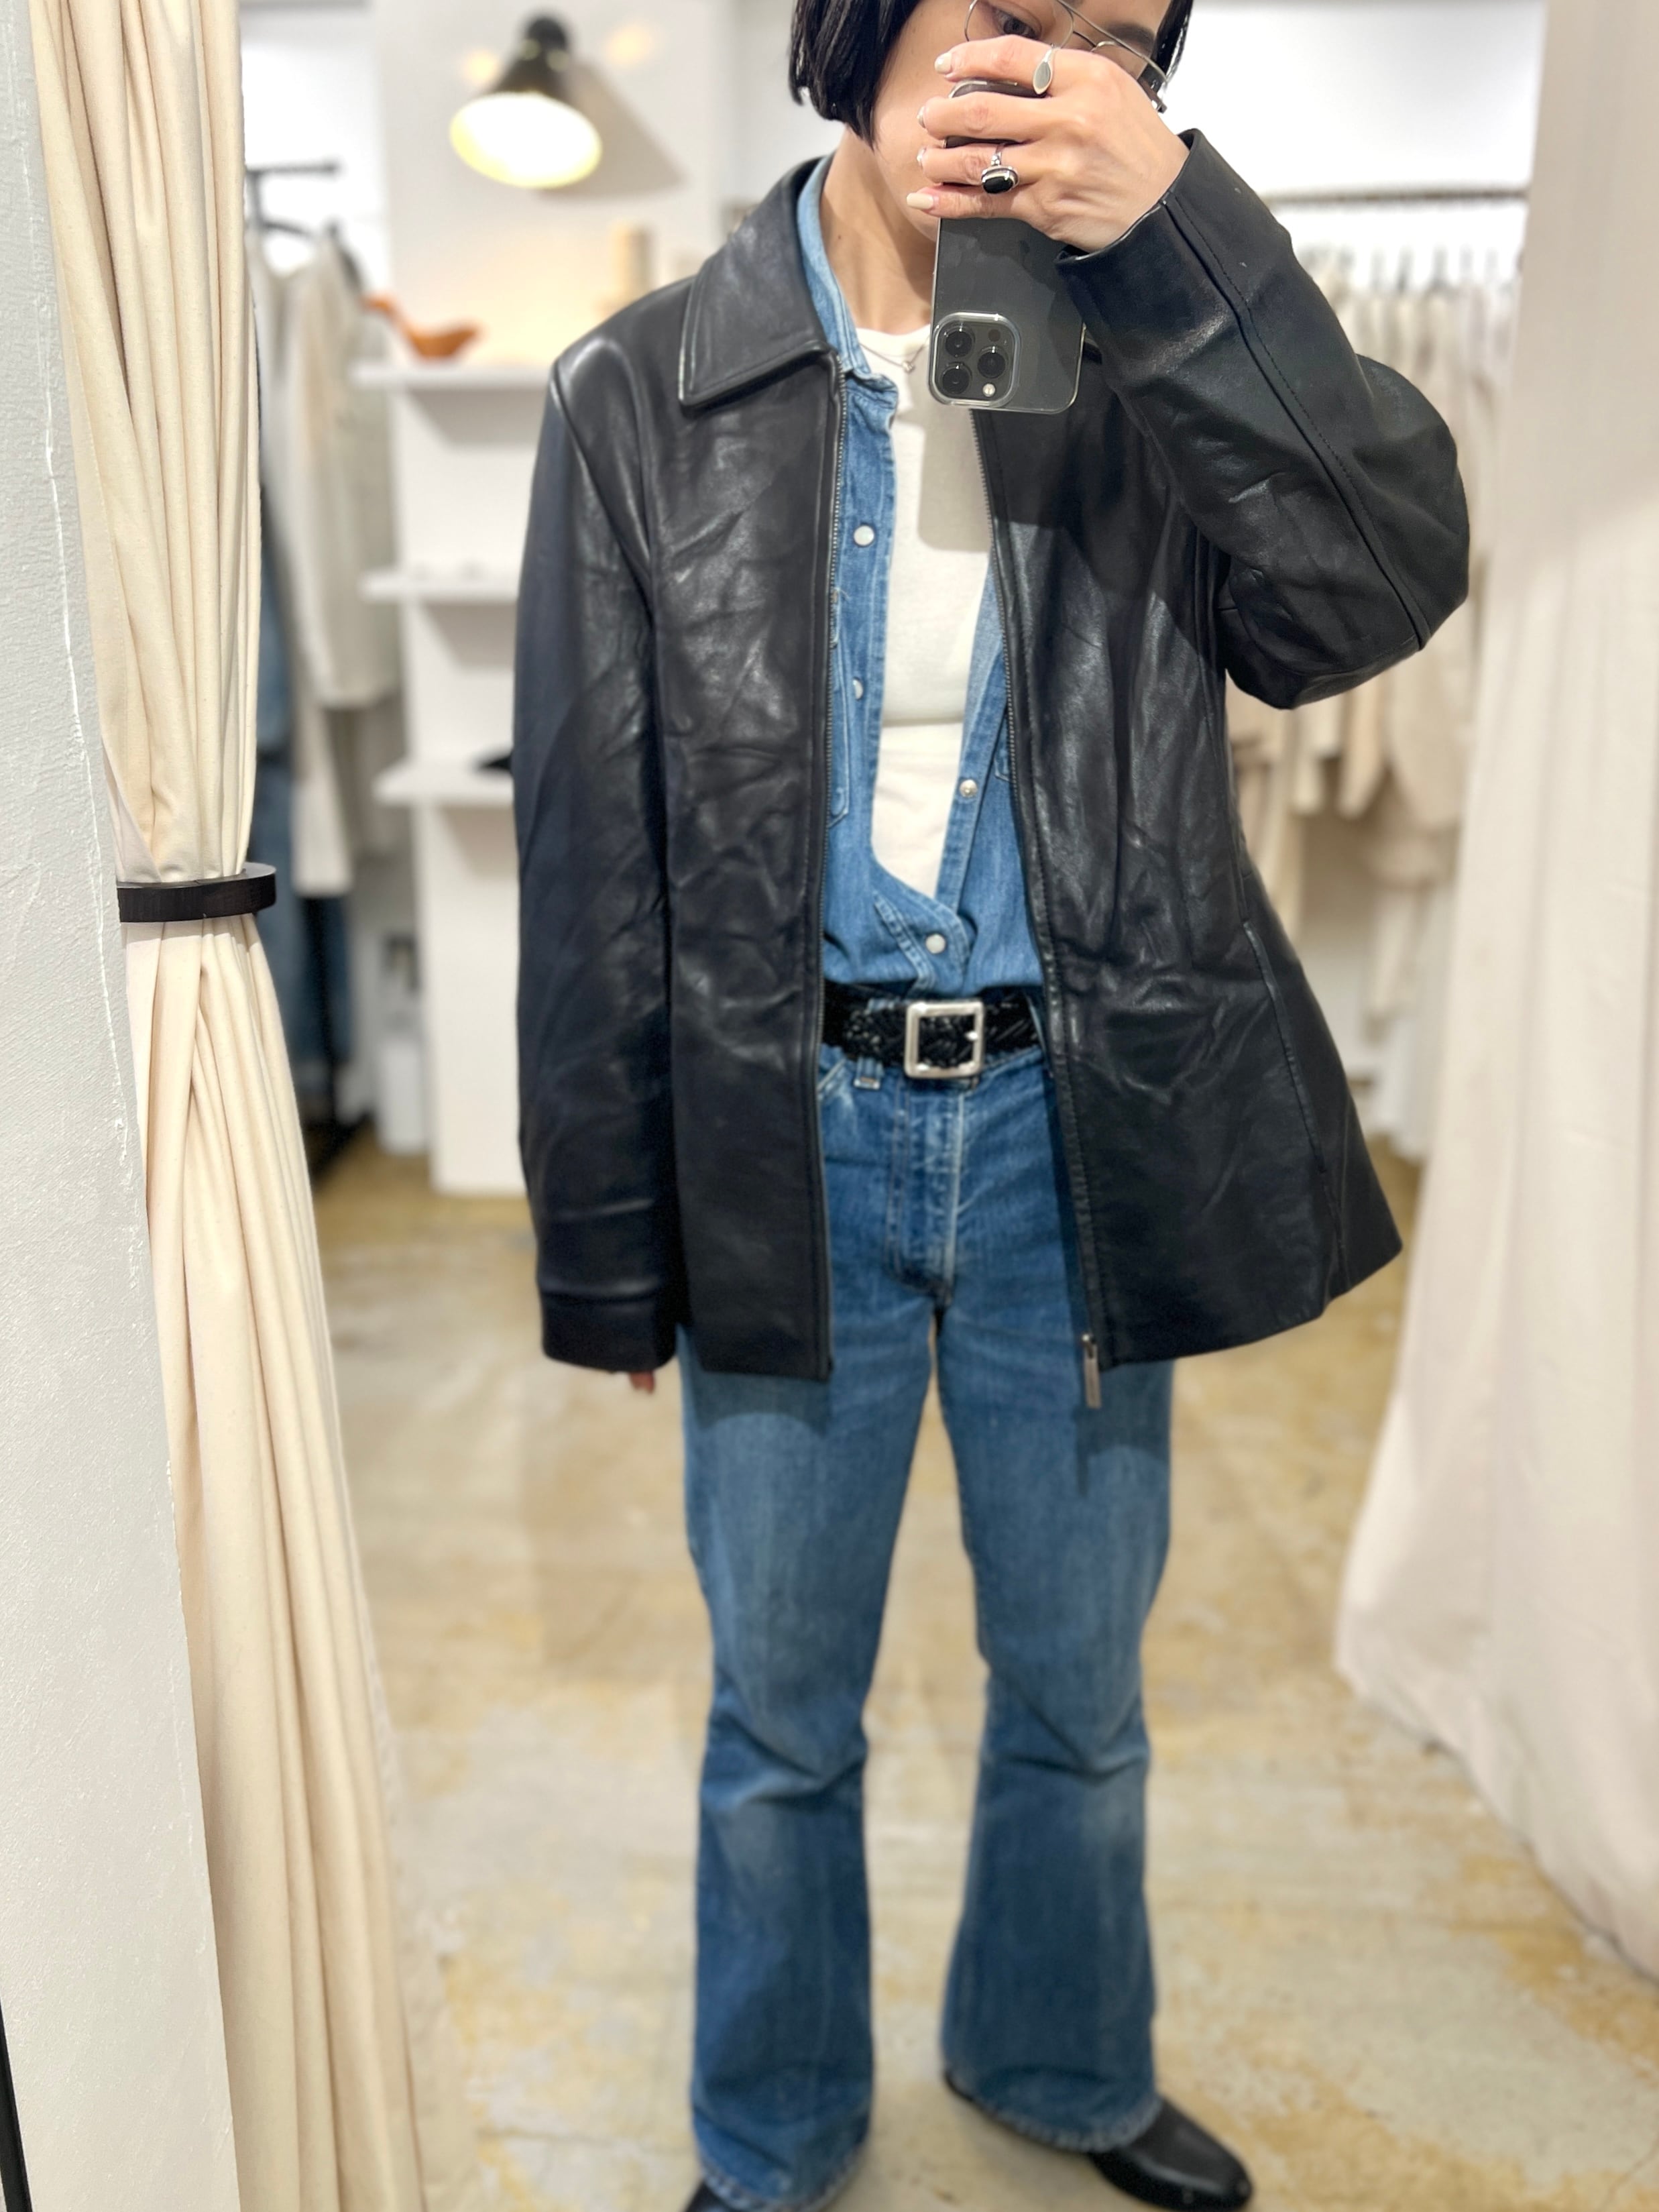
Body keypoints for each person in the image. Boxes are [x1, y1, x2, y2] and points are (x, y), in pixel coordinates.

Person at [512, 0, 1469, 2204]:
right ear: (862, 28)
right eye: (1010, 22)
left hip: (1070, 1125)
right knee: (779, 1709)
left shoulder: (1155, 363)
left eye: (1114, 46)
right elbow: (594, 854)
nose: (1054, 79)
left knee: (1076, 1682)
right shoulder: (641, 391)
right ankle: (770, 2130)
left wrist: (1185, 249)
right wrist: (608, 1237)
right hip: (785, 1139)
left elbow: (1366, 590)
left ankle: (1058, 2056)